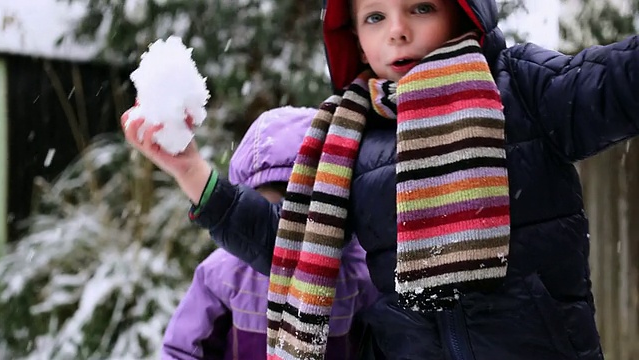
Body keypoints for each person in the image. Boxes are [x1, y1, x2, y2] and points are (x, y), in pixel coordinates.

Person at [122, 0, 639, 358]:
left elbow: (612, 84)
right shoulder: (351, 138)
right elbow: (291, 248)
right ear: (356, 39)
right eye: (374, 16)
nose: (397, 29)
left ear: (461, 11)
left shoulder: (521, 89)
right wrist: (192, 171)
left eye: (419, 8)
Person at [159, 106, 378, 360]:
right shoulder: (223, 274)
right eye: (270, 215)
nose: (285, 229)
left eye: (302, 210)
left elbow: (387, 341)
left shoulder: (360, 272)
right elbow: (183, 349)